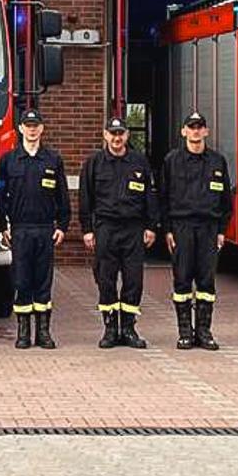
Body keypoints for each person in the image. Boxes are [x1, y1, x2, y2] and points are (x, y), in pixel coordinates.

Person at [79, 117, 159, 349]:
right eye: (112, 133)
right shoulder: (94, 163)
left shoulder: (139, 162)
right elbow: (86, 199)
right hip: (105, 227)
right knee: (106, 279)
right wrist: (87, 230)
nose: (116, 138)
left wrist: (151, 226)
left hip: (133, 229)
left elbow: (149, 197)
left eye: (121, 133)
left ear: (127, 136)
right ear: (105, 135)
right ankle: (111, 329)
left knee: (134, 280)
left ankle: (129, 328)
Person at [0, 108, 69, 349]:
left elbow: (62, 196)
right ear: (20, 129)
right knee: (22, 280)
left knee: (43, 281)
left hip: (45, 228)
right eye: (28, 125)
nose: (32, 129)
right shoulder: (8, 160)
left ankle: (44, 333)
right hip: (20, 229)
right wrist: (1, 224)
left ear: (42, 129)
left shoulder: (53, 160)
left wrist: (63, 225)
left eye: (36, 125)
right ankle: (23, 333)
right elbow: (0, 195)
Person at [160, 111, 232, 351]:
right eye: (191, 127)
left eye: (200, 127)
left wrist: (222, 230)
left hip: (209, 229)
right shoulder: (172, 160)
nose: (195, 131)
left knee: (206, 281)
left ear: (206, 132)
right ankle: (184, 333)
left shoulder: (217, 161)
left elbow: (225, 201)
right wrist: (167, 230)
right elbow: (164, 197)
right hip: (181, 227)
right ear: (183, 132)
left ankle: (204, 331)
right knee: (182, 280)